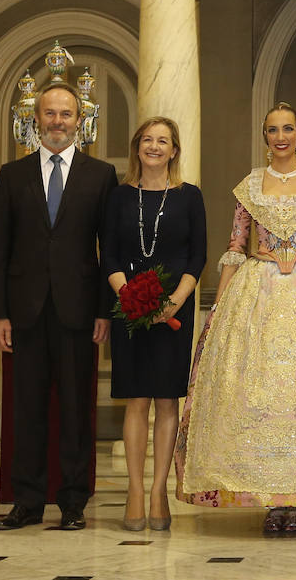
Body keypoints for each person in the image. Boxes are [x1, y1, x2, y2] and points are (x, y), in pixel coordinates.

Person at [174, 102, 296, 533]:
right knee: (254, 394)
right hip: (255, 291)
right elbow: (235, 246)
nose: (281, 137)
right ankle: (270, 498)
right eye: (273, 130)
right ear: (265, 136)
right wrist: (219, 307)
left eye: (288, 129)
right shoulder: (249, 187)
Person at [0, 82, 118, 530]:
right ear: (37, 118)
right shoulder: (11, 174)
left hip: (80, 313)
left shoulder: (101, 175)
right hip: (24, 313)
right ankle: (27, 501)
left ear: (79, 121)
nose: (58, 121)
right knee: (26, 409)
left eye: (66, 114)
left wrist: (105, 310)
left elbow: (109, 251)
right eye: (50, 113)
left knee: (76, 410)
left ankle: (74, 501)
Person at [104, 117, 206, 531]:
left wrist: (174, 302)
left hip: (174, 311)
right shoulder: (118, 197)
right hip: (129, 308)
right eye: (147, 140)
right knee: (136, 400)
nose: (154, 147)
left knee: (167, 401)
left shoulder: (189, 196)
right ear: (137, 147)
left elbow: (197, 255)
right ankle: (133, 490)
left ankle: (160, 490)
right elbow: (108, 254)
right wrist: (128, 295)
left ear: (174, 150)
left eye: (163, 141)